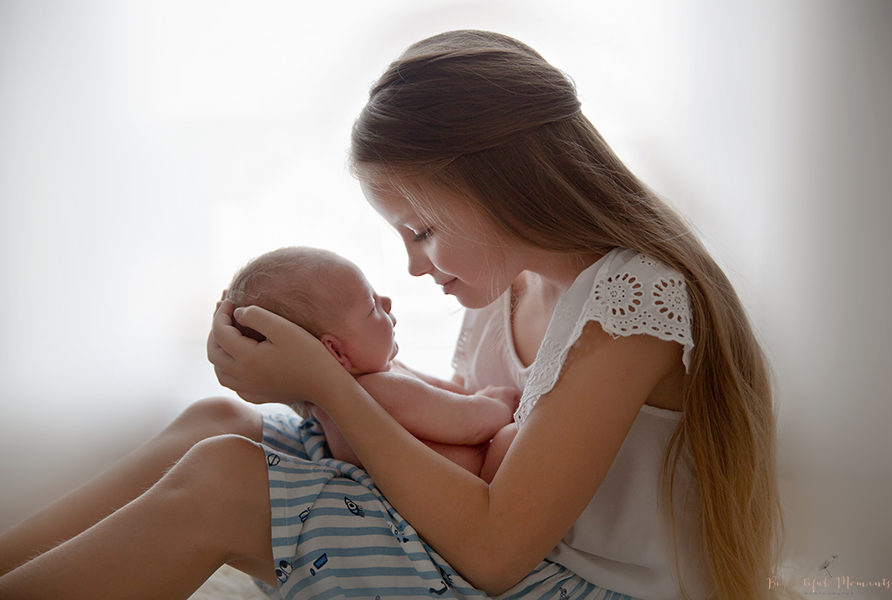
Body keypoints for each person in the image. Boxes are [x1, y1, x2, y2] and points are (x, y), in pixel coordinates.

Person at [0, 30, 785, 600]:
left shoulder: (632, 302)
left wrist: (331, 386)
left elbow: (495, 550)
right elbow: (449, 442)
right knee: (217, 422)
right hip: (515, 559)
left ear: (500, 184)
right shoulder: (508, 290)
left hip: (577, 585)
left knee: (223, 482)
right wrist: (312, 378)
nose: (413, 264)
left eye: (423, 230)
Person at [225, 245, 519, 482]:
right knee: (512, 439)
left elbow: (441, 389)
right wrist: (499, 403)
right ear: (335, 351)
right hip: (470, 481)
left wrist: (473, 397)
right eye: (371, 306)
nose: (387, 302)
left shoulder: (359, 383)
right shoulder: (377, 390)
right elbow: (466, 423)